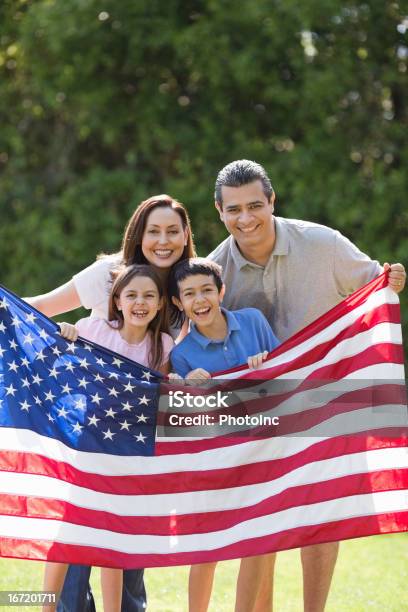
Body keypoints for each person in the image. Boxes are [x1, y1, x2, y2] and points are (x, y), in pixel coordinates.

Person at [207, 159, 406, 612]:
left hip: (324, 401)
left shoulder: (323, 243)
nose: (246, 218)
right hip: (257, 412)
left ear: (272, 201)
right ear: (219, 211)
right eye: (234, 209)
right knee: (261, 523)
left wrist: (393, 279)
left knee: (321, 515)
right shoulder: (215, 270)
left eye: (256, 205)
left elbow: (376, 284)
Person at [27, 194, 196, 612]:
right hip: (88, 438)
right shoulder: (104, 291)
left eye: (173, 231)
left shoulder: (184, 295)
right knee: (73, 540)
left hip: (133, 446)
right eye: (154, 231)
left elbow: (191, 359)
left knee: (122, 545)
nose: (163, 240)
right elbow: (47, 315)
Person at [42, 263, 174, 612]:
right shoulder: (95, 329)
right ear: (117, 301)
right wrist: (67, 333)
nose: (139, 302)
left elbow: (161, 396)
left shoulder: (162, 345)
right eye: (131, 295)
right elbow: (62, 360)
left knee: (114, 538)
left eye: (148, 295)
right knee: (71, 531)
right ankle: (44, 607)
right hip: (89, 447)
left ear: (161, 303)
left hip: (129, 454)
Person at [168, 257, 280, 612]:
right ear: (178, 302)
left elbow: (287, 374)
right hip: (218, 458)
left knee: (259, 543)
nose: (199, 300)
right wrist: (194, 390)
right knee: (207, 545)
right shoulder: (182, 355)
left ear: (221, 291)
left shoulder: (253, 322)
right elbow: (192, 418)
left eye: (206, 290)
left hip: (262, 449)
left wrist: (268, 365)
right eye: (189, 294)